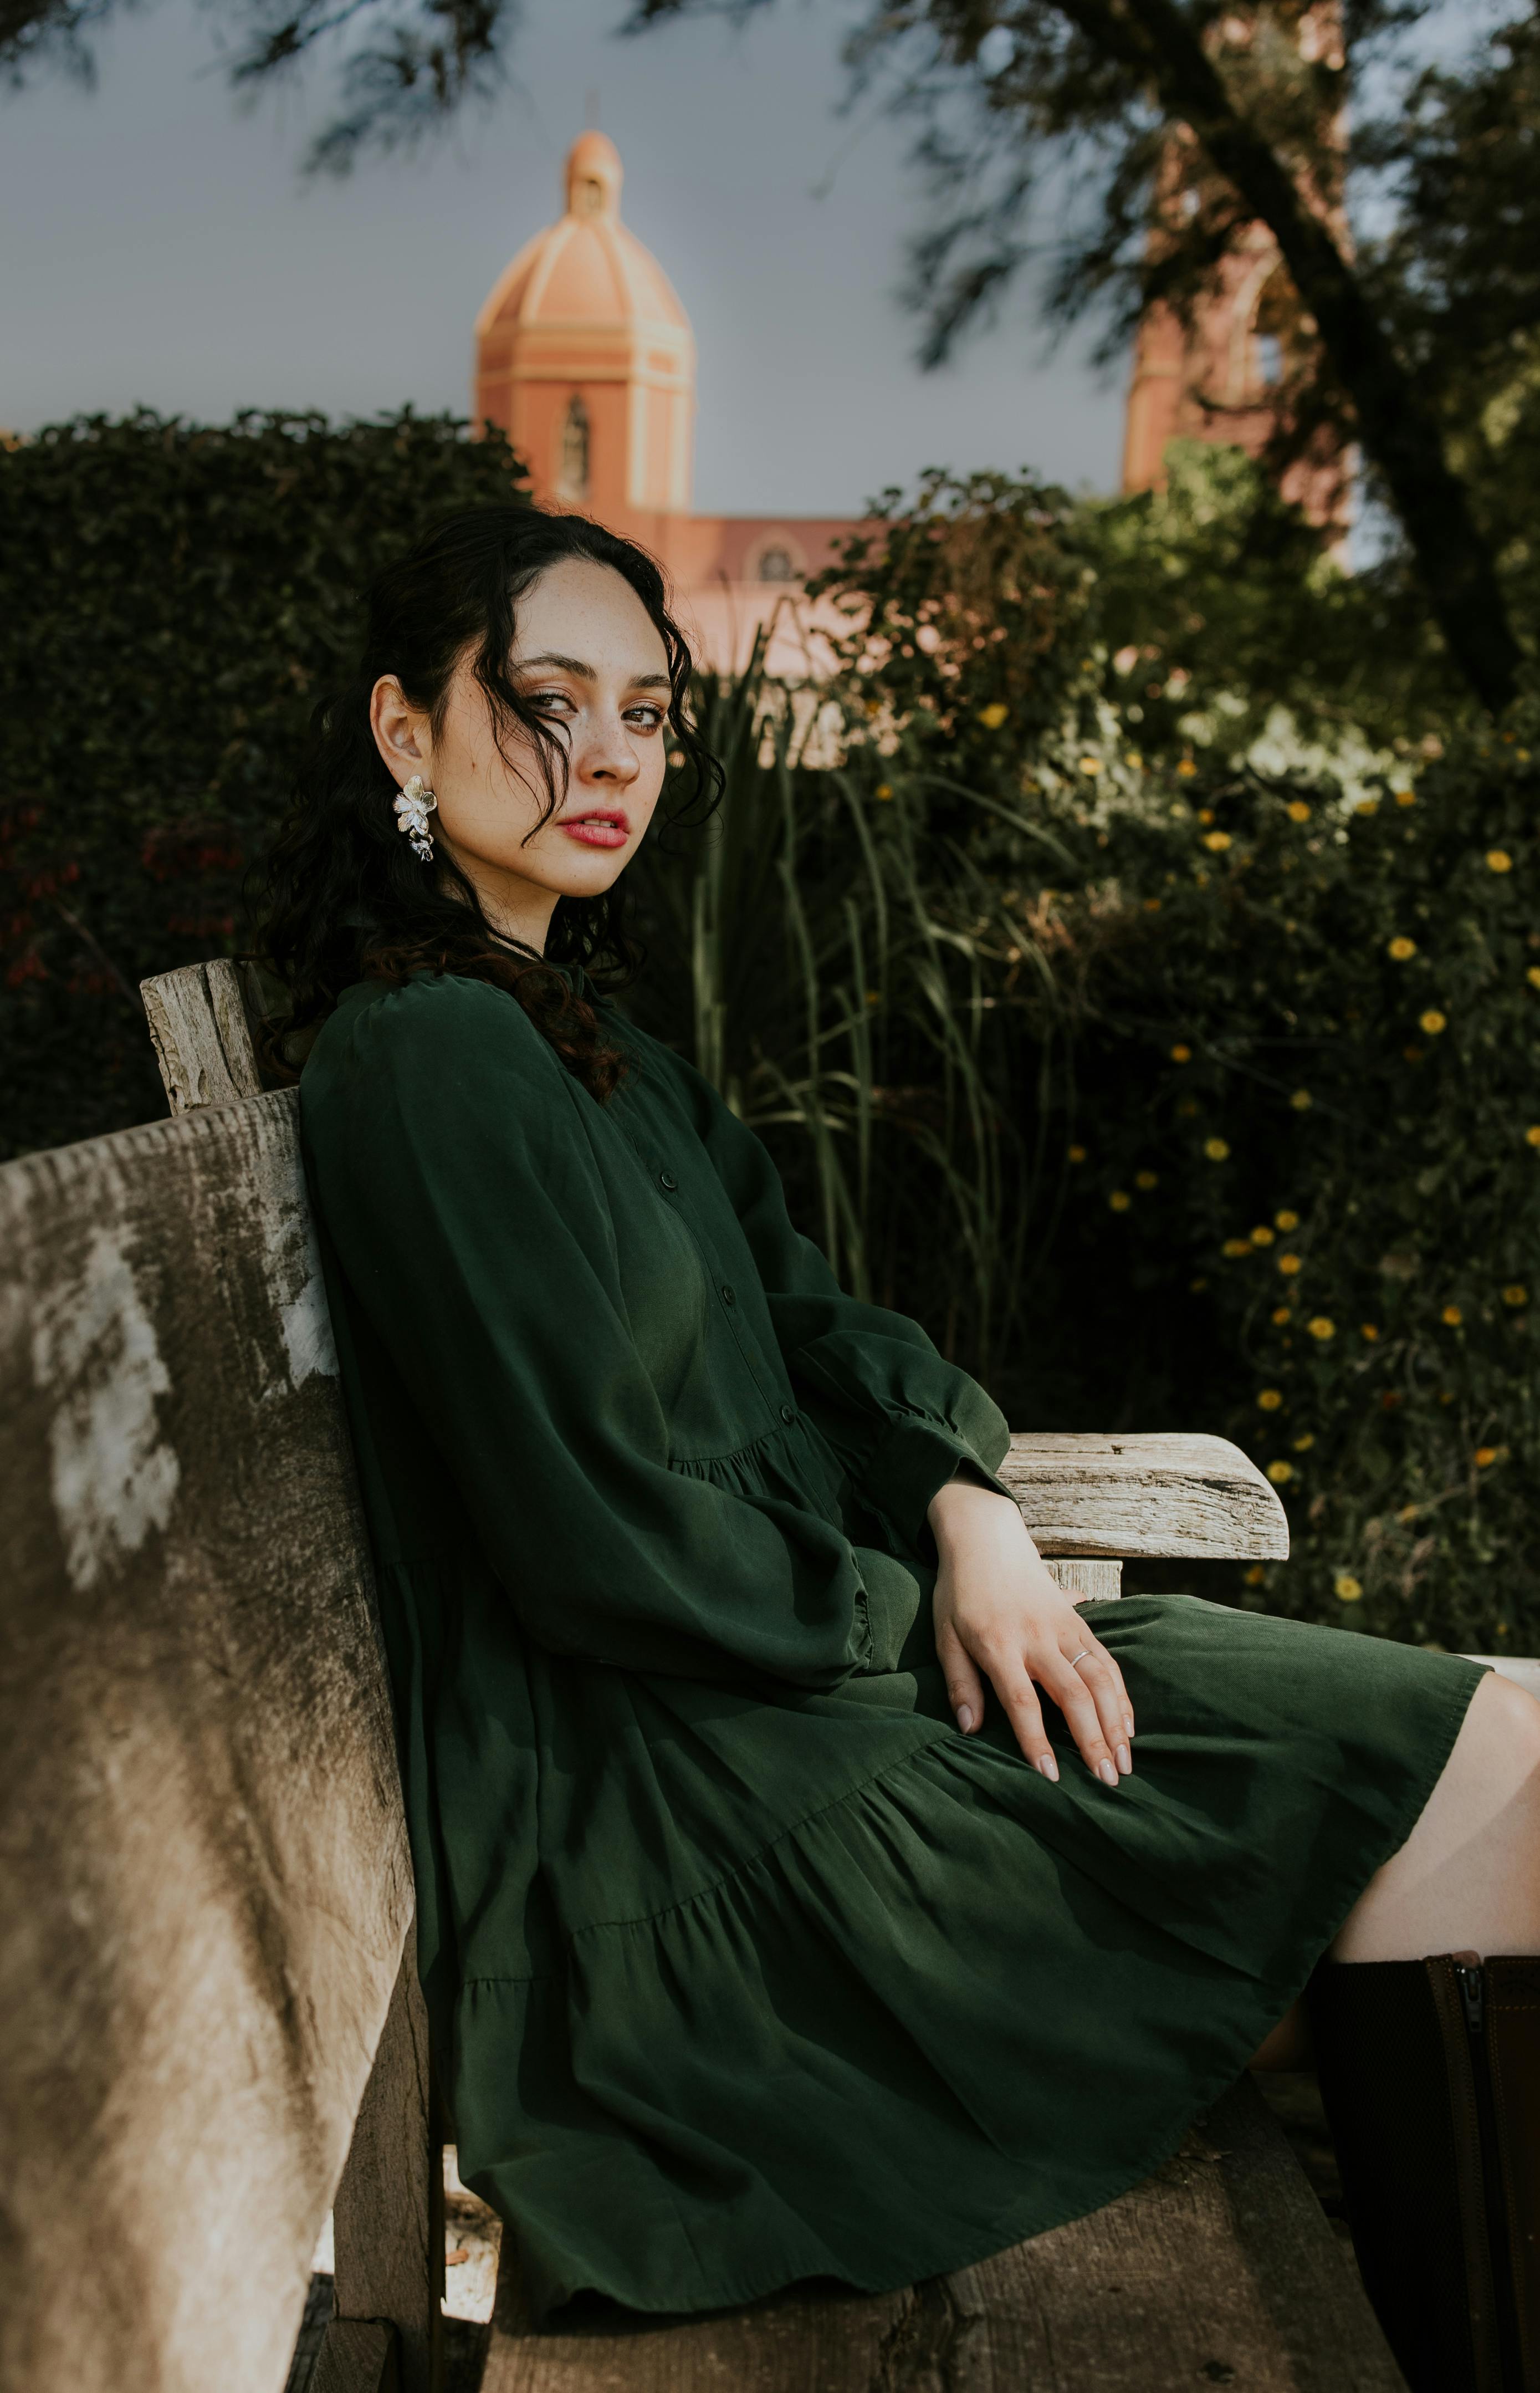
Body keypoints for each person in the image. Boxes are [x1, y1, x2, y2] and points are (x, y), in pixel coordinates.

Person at [255, 507, 1540, 2389]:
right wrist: (910, 1602)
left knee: (1503, 1733)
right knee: (1499, 1759)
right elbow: (603, 1536)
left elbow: (816, 1326)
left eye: (644, 714)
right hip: (684, 1807)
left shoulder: (588, 1047)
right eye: (544, 706)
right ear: (401, 732)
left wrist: (968, 1517)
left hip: (797, 1688)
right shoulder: (428, 1059)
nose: (607, 758)